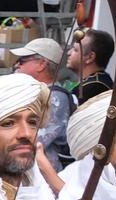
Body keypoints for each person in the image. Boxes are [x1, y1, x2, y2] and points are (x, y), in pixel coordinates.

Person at [7, 40, 75, 168]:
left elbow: (38, 140)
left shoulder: (56, 97)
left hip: (43, 174)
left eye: (22, 61)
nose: (17, 65)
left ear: (42, 64)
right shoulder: (32, 92)